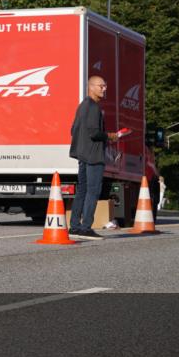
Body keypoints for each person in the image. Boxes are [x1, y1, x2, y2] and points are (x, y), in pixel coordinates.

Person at [68, 75, 119, 239]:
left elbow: (73, 130)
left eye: (105, 86)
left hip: (83, 155)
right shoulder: (93, 107)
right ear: (91, 87)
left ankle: (75, 226)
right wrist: (110, 136)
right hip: (93, 156)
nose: (104, 89)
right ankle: (86, 227)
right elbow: (93, 132)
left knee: (82, 191)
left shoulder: (82, 106)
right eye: (101, 86)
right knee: (93, 191)